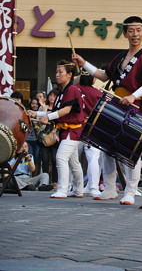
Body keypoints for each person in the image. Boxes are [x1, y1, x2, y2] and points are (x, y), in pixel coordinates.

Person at [72, 16, 142, 205]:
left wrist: (133, 96)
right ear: (125, 33)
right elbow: (103, 75)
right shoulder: (120, 57)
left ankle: (130, 191)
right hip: (116, 104)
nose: (135, 34)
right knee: (107, 149)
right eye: (131, 31)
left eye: (138, 30)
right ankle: (110, 189)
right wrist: (83, 62)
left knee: (130, 150)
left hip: (134, 107)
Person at [28, 60, 85, 199]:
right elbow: (55, 111)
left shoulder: (72, 90)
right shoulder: (62, 92)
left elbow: (66, 110)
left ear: (69, 75)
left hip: (73, 130)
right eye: (56, 71)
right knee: (73, 162)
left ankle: (62, 189)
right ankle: (78, 190)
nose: (57, 74)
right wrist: (37, 114)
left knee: (60, 157)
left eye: (61, 72)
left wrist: (48, 117)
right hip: (66, 131)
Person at [76, 72, 104, 197]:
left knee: (72, 159)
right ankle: (93, 186)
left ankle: (72, 186)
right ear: (93, 80)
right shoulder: (98, 93)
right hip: (92, 127)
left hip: (76, 127)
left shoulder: (74, 90)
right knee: (93, 159)